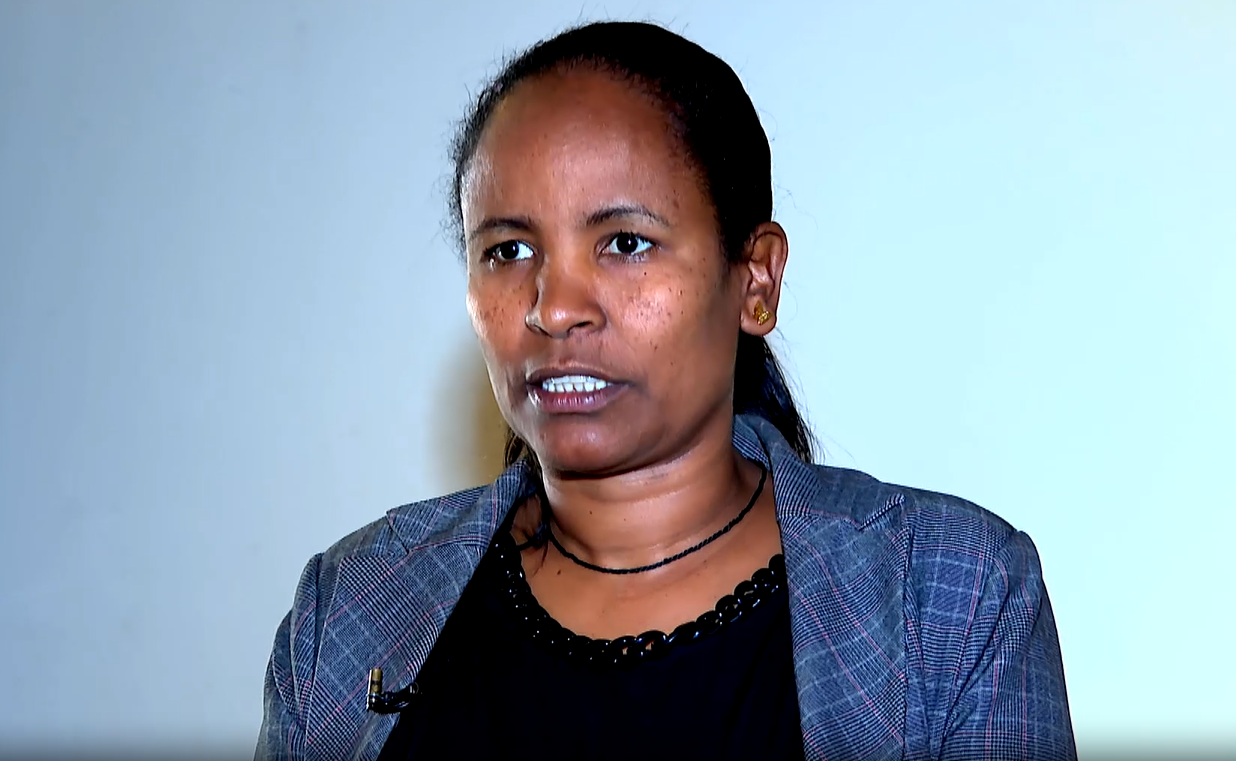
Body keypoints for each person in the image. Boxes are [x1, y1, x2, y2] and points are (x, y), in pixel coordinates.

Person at [255, 20, 1076, 761]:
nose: (553, 307)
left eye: (624, 242)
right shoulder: (351, 608)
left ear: (755, 279)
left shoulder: (950, 599)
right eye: (507, 251)